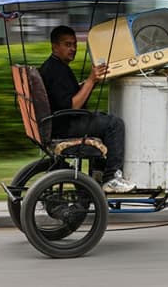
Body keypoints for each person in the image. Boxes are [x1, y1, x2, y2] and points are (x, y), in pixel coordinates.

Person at [39, 25, 136, 193]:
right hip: (65, 125)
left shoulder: (55, 66)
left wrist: (91, 82)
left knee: (103, 119)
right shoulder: (55, 71)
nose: (73, 49)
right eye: (67, 44)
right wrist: (90, 81)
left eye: (75, 44)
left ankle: (98, 173)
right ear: (55, 47)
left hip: (60, 121)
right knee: (114, 124)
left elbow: (70, 94)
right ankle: (111, 177)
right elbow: (73, 105)